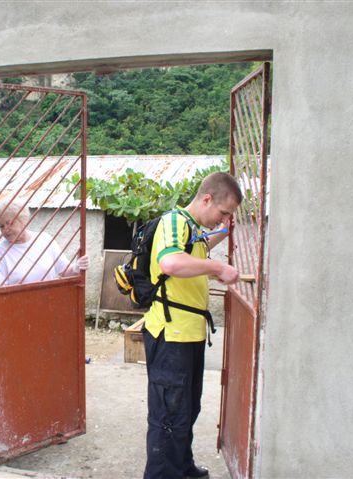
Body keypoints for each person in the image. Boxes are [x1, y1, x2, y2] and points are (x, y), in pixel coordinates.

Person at [142, 172, 242, 479]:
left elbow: (191, 254)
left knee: (186, 409)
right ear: (207, 199)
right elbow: (171, 263)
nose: (223, 218)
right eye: (223, 212)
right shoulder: (175, 221)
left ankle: (182, 468)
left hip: (188, 334)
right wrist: (218, 267)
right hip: (171, 334)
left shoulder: (190, 230)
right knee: (169, 415)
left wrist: (222, 234)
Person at [0, 199, 89, 288]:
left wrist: (77, 268)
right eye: (1, 226)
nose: (5, 230)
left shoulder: (44, 240)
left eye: (9, 223)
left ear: (23, 219)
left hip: (50, 304)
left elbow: (65, 272)